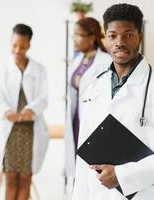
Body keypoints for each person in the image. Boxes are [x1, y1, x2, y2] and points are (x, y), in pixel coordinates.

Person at [72, 3, 154, 200]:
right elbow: (84, 154)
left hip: (141, 194)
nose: (119, 42)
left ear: (140, 36)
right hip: (96, 193)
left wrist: (122, 175)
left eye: (128, 34)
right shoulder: (94, 87)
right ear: (105, 38)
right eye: (112, 36)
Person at [0, 24, 49, 200]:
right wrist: (7, 112)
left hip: (30, 131)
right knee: (11, 178)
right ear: (10, 42)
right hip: (10, 130)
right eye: (14, 45)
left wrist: (29, 111)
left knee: (25, 178)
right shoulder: (1, 68)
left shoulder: (39, 69)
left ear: (29, 45)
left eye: (22, 46)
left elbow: (43, 98)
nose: (17, 50)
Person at [65, 17, 112, 178]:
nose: (74, 39)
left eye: (78, 35)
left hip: (94, 122)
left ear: (92, 38)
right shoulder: (77, 60)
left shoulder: (106, 62)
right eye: (73, 35)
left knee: (92, 172)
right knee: (79, 170)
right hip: (76, 121)